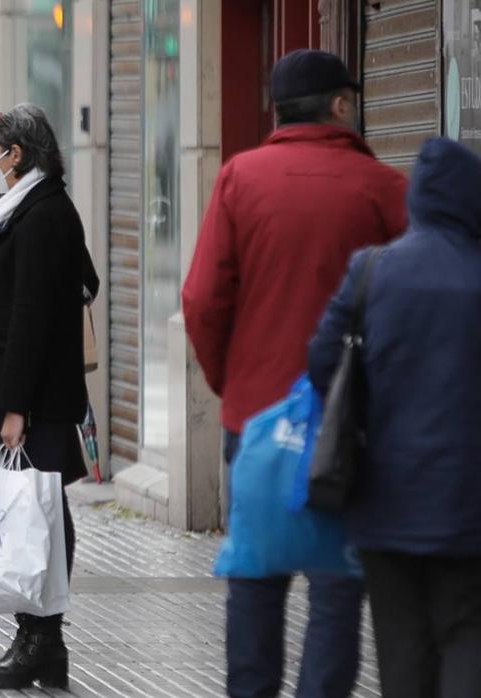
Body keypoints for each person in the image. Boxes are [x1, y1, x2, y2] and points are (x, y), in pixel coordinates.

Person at [181, 49, 408, 698]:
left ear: (277, 110)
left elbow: (201, 299)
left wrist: (235, 386)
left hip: (254, 420)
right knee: (338, 583)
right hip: (350, 428)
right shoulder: (386, 190)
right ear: (341, 105)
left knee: (256, 572)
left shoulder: (238, 179)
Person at [308, 137, 481, 698]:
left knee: (402, 643)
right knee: (466, 633)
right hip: (470, 504)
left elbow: (323, 362)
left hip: (385, 498)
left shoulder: (371, 271)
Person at [0, 103, 96, 691]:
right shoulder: (21, 209)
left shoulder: (42, 214)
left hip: (32, 396)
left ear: (17, 154)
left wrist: (15, 407)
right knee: (35, 511)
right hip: (20, 388)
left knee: (37, 515)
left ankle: (40, 640)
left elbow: (34, 315)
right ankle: (39, 640)